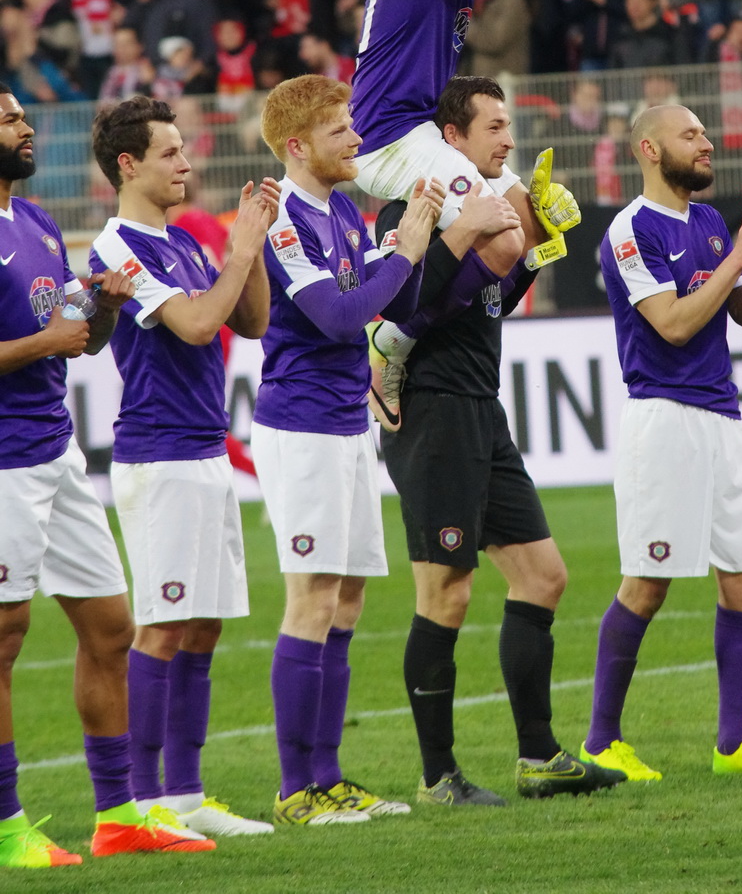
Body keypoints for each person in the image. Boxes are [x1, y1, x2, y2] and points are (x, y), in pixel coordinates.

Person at [378, 75, 627, 803]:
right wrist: (475, 233)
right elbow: (403, 304)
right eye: (493, 127)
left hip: (479, 409)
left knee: (543, 576)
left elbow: (489, 302)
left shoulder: (482, 208)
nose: (508, 141)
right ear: (451, 138)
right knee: (444, 592)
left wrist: (539, 245)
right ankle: (438, 775)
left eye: (508, 125)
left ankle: (539, 758)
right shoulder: (410, 206)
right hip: (432, 414)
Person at [0, 81, 214, 868]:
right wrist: (46, 342)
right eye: (7, 118)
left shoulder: (37, 222)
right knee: (5, 638)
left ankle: (118, 814)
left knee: (112, 629)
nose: (24, 126)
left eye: (22, 114)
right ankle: (7, 827)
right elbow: (48, 341)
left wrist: (106, 311)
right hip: (3, 464)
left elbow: (81, 337)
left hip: (56, 454)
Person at [349, 0, 607, 424]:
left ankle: (445, 331)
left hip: (420, 129)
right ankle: (391, 343)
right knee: (504, 235)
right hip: (389, 136)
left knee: (535, 231)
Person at [582, 102, 742, 782]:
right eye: (690, 134)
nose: (706, 143)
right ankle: (600, 742)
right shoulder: (630, 230)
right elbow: (674, 325)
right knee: (647, 585)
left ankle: (734, 744)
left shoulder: (709, 222)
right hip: (664, 419)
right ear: (650, 149)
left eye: (705, 132)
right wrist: (738, 252)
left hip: (721, 418)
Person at [250, 74, 444, 826]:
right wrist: (405, 252)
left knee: (348, 598)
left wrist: (407, 249)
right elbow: (338, 317)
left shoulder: (340, 210)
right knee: (312, 598)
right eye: (340, 130)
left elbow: (386, 304)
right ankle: (294, 789)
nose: (357, 139)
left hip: (345, 424)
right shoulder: (284, 218)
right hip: (301, 428)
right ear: (298, 146)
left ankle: (329, 777)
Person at [89, 94, 279, 838]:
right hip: (160, 456)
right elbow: (200, 324)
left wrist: (249, 246)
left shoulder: (184, 241)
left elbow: (252, 322)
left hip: (204, 451)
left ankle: (188, 793)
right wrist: (237, 255)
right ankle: (143, 801)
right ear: (128, 164)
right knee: (162, 628)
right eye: (169, 152)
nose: (186, 163)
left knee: (203, 627)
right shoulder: (117, 247)